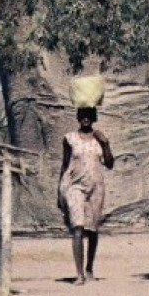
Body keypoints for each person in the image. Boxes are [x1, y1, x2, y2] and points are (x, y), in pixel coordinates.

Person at [58, 100, 114, 285]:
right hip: (74, 186)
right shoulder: (69, 139)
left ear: (94, 117)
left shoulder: (100, 139)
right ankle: (79, 274)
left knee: (93, 229)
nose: (86, 118)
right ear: (78, 116)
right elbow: (65, 164)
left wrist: (105, 143)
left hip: (96, 188)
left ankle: (90, 268)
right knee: (77, 227)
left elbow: (110, 164)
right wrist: (60, 191)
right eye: (82, 114)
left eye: (89, 114)